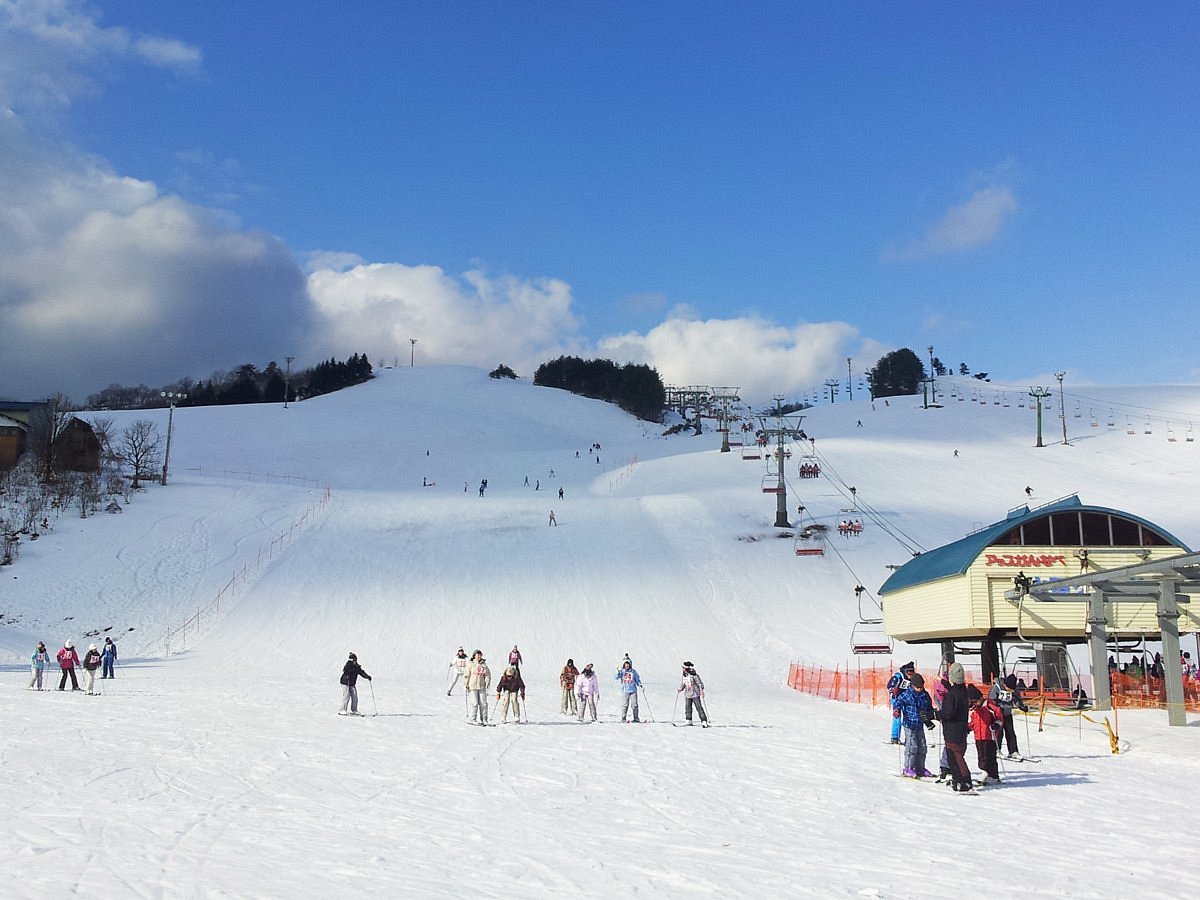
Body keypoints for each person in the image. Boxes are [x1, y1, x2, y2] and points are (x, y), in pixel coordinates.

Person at [939, 662, 974, 792]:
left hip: (952, 731)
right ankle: (957, 779)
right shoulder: (963, 691)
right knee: (956, 756)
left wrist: (936, 714)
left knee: (955, 757)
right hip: (961, 729)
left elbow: (948, 713)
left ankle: (965, 781)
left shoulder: (952, 695)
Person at [892, 672, 935, 777]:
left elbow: (929, 706)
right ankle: (908, 768)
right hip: (909, 725)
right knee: (912, 746)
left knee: (922, 747)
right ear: (912, 685)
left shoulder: (925, 695)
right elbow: (898, 702)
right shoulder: (907, 694)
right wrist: (897, 710)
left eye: (921, 687)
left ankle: (920, 768)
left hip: (920, 724)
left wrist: (932, 714)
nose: (919, 689)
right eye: (917, 687)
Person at [967, 685, 1003, 785]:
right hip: (979, 736)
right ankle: (986, 772)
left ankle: (992, 775)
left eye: (975, 701)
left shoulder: (990, 705)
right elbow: (974, 722)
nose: (974, 704)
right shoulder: (976, 710)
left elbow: (999, 717)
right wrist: (968, 728)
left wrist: (996, 724)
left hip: (989, 735)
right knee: (981, 755)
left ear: (980, 698)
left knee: (990, 755)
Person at [988, 673, 1029, 760]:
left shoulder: (1014, 690)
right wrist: (996, 709)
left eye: (1011, 690)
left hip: (1007, 713)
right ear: (1005, 685)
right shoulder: (997, 687)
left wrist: (1022, 707)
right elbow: (991, 700)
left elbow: (1016, 699)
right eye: (1008, 689)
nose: (1010, 690)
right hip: (998, 715)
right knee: (999, 733)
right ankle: (997, 750)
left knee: (1010, 732)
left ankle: (1013, 751)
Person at [886, 661, 916, 744]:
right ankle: (895, 737)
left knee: (908, 717)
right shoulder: (898, 676)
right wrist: (893, 690)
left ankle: (909, 738)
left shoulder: (913, 678)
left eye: (912, 672)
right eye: (909, 672)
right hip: (896, 699)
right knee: (897, 717)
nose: (910, 674)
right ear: (905, 671)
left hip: (906, 699)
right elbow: (889, 686)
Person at [677, 661, 709, 727]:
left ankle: (704, 721)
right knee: (687, 707)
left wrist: (701, 691)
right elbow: (683, 684)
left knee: (699, 707)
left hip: (695, 693)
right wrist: (680, 689)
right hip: (687, 693)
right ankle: (688, 720)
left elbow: (700, 684)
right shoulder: (684, 675)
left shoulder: (694, 675)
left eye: (683, 667)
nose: (682, 669)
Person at [466, 653, 492, 724]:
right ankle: (473, 718)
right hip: (473, 686)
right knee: (474, 703)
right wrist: (466, 683)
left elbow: (487, 675)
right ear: (474, 656)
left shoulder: (484, 665)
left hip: (481, 686)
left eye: (480, 655)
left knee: (483, 703)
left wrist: (487, 682)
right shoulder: (471, 664)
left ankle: (484, 719)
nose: (479, 656)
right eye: (477, 655)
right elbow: (467, 674)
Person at [614, 658, 642, 722]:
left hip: (633, 690)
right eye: (626, 664)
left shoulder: (633, 672)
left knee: (634, 705)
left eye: (628, 664)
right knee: (625, 705)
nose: (627, 666)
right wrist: (618, 671)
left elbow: (637, 679)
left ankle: (636, 718)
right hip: (625, 690)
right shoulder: (622, 671)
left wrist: (639, 684)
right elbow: (616, 677)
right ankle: (623, 718)